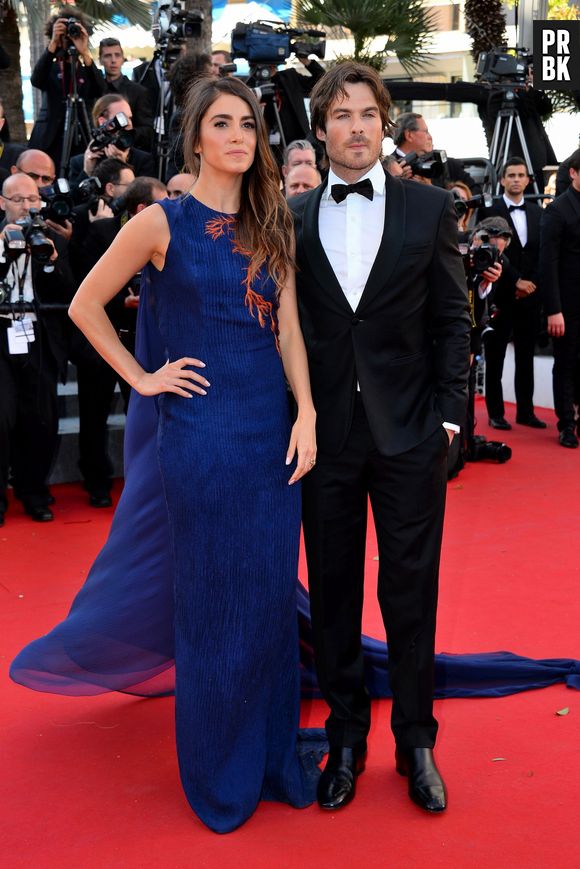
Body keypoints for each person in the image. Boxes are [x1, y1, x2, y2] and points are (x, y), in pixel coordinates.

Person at [66, 75, 320, 832]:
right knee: (214, 607)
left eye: (248, 124)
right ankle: (218, 774)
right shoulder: (159, 222)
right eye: (222, 123)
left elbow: (289, 331)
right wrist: (143, 376)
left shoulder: (273, 223)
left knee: (271, 601)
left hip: (270, 437)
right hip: (202, 443)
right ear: (196, 137)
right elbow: (85, 304)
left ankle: (273, 757)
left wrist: (306, 410)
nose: (239, 135)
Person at [289, 62, 471, 813]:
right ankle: (346, 735)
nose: (355, 127)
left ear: (385, 122)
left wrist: (453, 419)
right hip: (323, 437)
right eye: (340, 115)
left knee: (410, 591)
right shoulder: (290, 217)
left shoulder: (430, 208)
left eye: (368, 113)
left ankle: (416, 740)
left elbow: (454, 321)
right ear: (321, 128)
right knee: (332, 592)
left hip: (410, 433)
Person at [0, 173, 75, 525]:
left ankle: (34, 492)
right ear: (2, 203)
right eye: (18, 200)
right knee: (2, 419)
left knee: (42, 420)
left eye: (33, 200)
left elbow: (68, 290)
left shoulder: (53, 237)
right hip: (2, 337)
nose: (27, 207)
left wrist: (49, 258)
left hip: (38, 338)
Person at [478, 157, 546, 431]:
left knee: (526, 356)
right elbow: (487, 251)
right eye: (511, 175)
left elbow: (543, 253)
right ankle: (496, 413)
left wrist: (530, 285)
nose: (516, 179)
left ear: (528, 180)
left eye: (521, 175)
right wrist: (516, 280)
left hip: (530, 297)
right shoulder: (490, 210)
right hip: (499, 295)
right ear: (503, 180)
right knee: (495, 357)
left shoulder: (539, 212)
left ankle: (526, 411)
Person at [28, 8, 106, 173]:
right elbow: (36, 80)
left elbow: (101, 90)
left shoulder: (86, 70)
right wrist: (55, 42)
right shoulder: (50, 67)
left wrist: (84, 52)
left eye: (73, 33)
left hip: (81, 135)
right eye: (66, 35)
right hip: (51, 138)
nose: (69, 39)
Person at [539, 148, 580, 448]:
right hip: (567, 306)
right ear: (574, 173)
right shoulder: (557, 210)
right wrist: (554, 309)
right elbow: (547, 263)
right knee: (565, 363)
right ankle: (566, 423)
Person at [67, 95, 155, 189]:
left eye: (130, 118)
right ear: (103, 122)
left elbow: (143, 199)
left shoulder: (143, 160)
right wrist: (87, 172)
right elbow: (74, 201)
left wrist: (123, 166)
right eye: (122, 118)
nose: (129, 123)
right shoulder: (79, 162)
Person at [98, 38, 154, 150]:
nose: (113, 60)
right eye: (108, 56)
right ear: (100, 60)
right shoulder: (96, 89)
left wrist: (129, 131)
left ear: (123, 59)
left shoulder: (138, 91)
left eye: (117, 55)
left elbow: (148, 130)